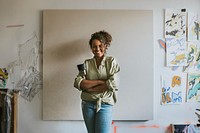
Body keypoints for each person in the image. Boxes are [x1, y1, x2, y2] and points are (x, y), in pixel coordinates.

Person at [74, 30, 120, 133]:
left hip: (105, 104)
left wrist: (89, 88)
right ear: (91, 48)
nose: (97, 49)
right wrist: (100, 82)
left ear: (105, 46)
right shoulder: (87, 63)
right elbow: (78, 83)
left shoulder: (111, 61)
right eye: (94, 46)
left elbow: (114, 84)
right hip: (87, 104)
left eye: (100, 46)